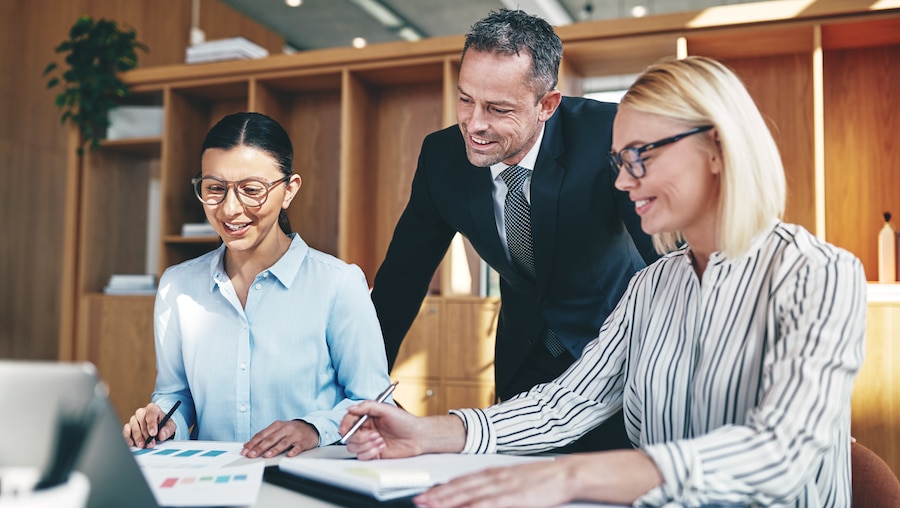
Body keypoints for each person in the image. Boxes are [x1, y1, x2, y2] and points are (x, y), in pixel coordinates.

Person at [340, 56, 867, 507]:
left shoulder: (819, 275)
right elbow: (565, 405)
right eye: (618, 160)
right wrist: (430, 433)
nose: (620, 180)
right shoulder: (653, 287)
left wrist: (572, 475)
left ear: (718, 147)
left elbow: (781, 450)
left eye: (642, 156)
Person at [371, 8, 657, 452]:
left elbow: (665, 262)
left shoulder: (609, 134)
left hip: (618, 354)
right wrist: (366, 386)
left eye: (498, 109)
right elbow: (400, 282)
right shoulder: (442, 158)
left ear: (547, 104)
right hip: (524, 358)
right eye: (465, 99)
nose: (475, 124)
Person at [123, 112, 392, 459]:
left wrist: (313, 429)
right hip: (211, 481)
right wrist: (163, 420)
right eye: (215, 189)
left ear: (289, 190)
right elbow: (176, 394)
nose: (231, 209)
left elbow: (372, 401)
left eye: (252, 190)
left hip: (304, 481)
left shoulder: (338, 284)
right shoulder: (178, 286)